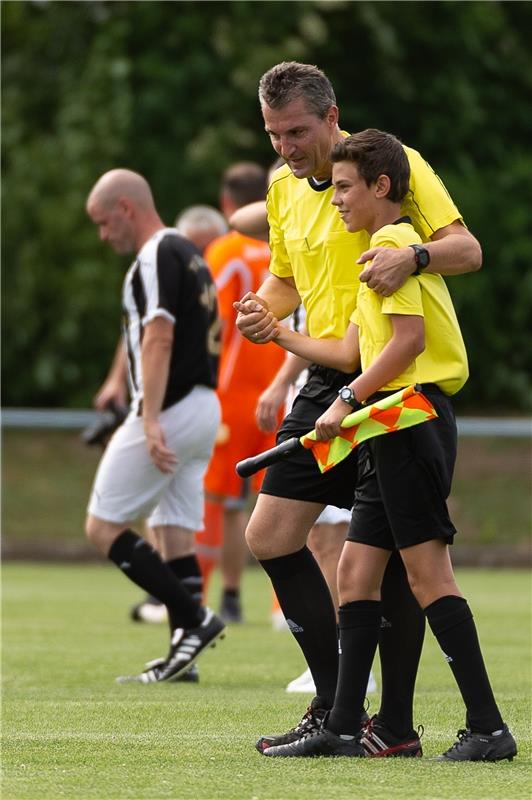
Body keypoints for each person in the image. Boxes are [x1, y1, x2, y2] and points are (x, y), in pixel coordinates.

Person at [234, 61, 482, 757]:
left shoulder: (389, 166)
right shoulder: (282, 186)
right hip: (330, 372)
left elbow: (467, 249)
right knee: (272, 534)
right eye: (274, 133)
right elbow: (286, 280)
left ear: (332, 117)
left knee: (403, 554)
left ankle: (388, 726)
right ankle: (334, 703)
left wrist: (417, 258)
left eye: (297, 131)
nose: (285, 147)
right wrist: (264, 310)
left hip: (385, 379)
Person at [85, 168, 225, 683]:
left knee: (102, 526)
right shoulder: (188, 251)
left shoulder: (156, 253)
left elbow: (160, 337)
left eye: (104, 223)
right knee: (173, 531)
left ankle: (194, 619)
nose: (104, 235)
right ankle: (181, 656)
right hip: (203, 404)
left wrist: (147, 420)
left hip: (170, 405)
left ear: (125, 208)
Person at [200, 162, 286, 623]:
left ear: (229, 203)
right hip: (288, 390)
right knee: (286, 503)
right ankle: (283, 606)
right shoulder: (294, 242)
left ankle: (202, 598)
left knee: (217, 502)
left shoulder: (228, 249)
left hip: (232, 395)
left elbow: (206, 321)